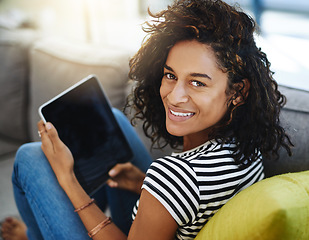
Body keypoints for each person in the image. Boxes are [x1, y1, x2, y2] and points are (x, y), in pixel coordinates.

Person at [1, 0, 292, 239]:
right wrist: (144, 184)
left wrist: (66, 177)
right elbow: (191, 201)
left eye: (198, 83)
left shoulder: (174, 176)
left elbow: (181, 186)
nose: (174, 96)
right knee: (113, 120)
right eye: (170, 75)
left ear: (238, 92)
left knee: (29, 156)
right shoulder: (247, 143)